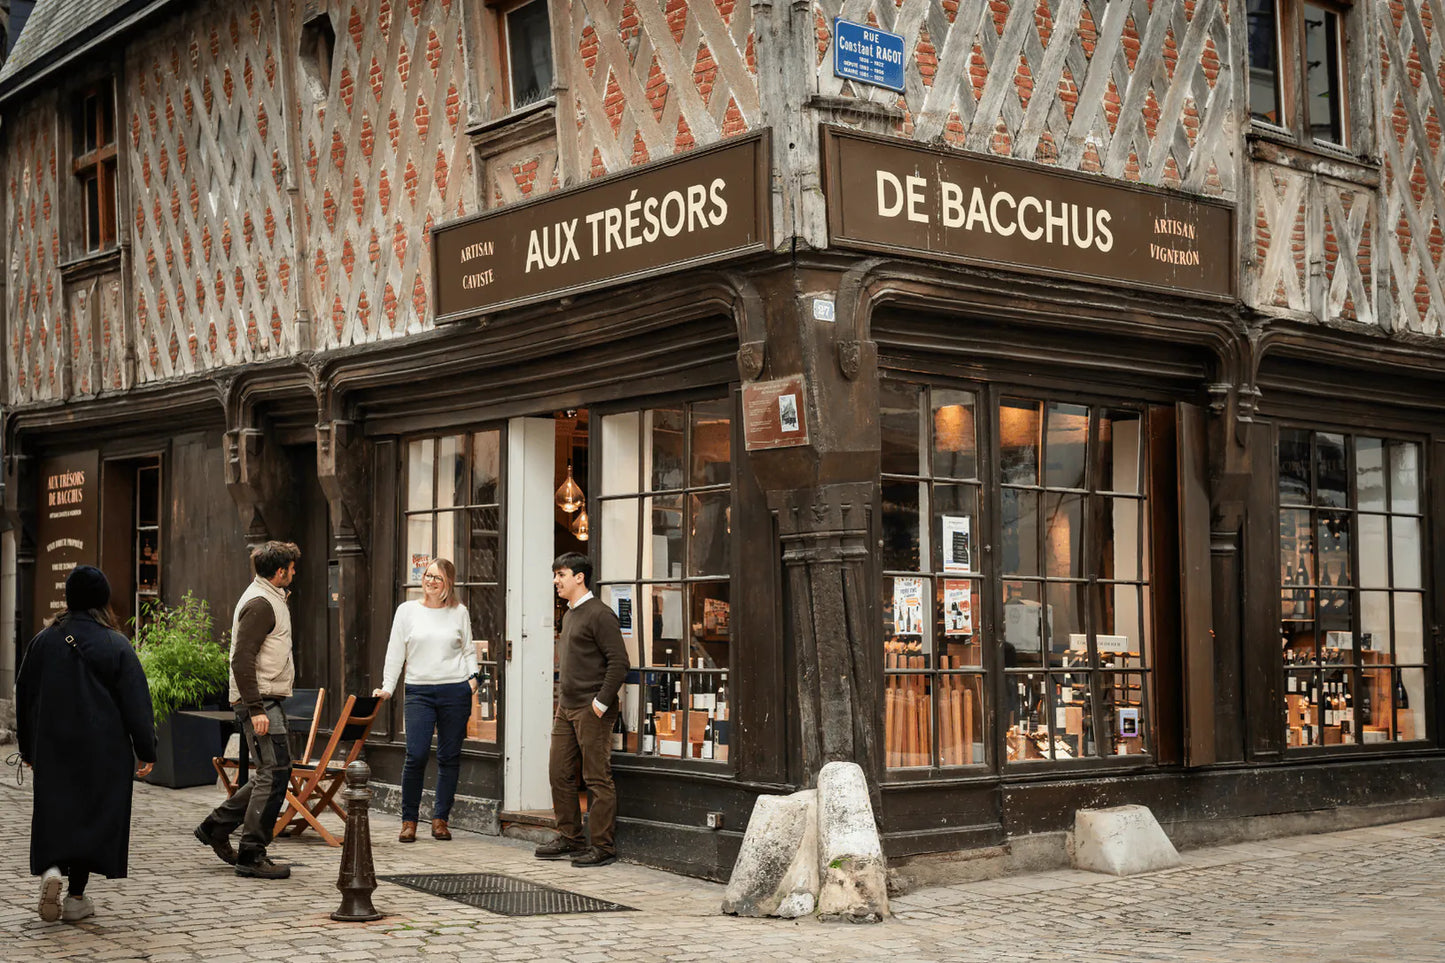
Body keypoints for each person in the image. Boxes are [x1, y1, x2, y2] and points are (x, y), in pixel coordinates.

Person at [15, 565, 157, 923]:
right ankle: (76, 897)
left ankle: (50, 870)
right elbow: (136, 703)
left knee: (54, 811)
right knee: (91, 820)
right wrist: (147, 749)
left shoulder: (42, 642)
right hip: (103, 752)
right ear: (102, 600)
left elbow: (25, 698)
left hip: (53, 745)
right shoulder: (116, 644)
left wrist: (28, 748)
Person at [193, 540, 301, 880]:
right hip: (260, 701)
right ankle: (251, 853)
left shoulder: (271, 598)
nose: (295, 572)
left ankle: (216, 827)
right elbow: (241, 659)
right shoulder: (261, 603)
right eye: (292, 568)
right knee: (275, 772)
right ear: (280, 572)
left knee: (274, 771)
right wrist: (255, 709)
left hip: (267, 699)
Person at [373, 557, 478, 842]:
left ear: (448, 584)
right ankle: (409, 821)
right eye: (428, 575)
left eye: (437, 578)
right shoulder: (407, 611)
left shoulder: (459, 612)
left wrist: (474, 679)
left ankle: (440, 820)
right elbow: (396, 651)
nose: (430, 581)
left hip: (455, 691)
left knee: (448, 757)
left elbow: (468, 649)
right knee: (416, 755)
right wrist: (388, 687)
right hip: (419, 691)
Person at [536, 552, 629, 867]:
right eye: (555, 575)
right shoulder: (570, 614)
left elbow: (619, 663)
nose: (556, 581)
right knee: (558, 773)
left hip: (592, 709)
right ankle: (571, 838)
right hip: (566, 707)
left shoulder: (600, 614)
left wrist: (600, 704)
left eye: (561, 574)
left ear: (579, 577)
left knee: (596, 777)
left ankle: (603, 847)